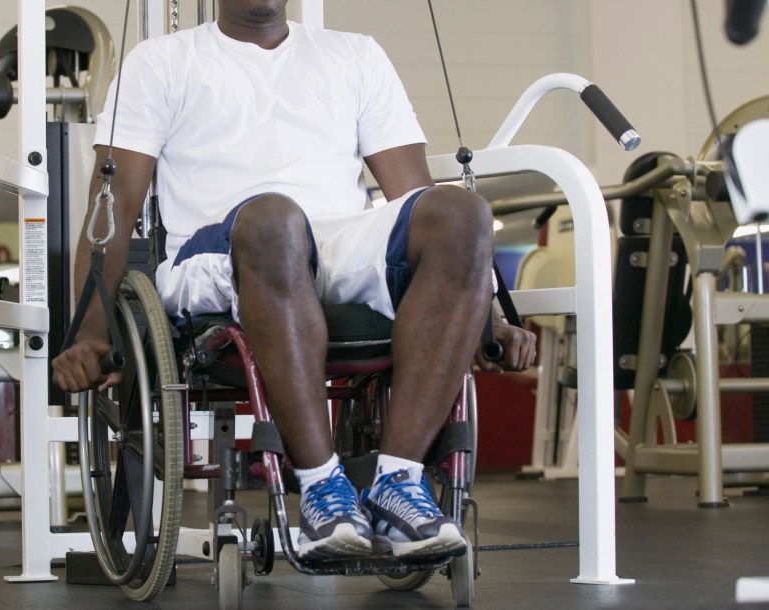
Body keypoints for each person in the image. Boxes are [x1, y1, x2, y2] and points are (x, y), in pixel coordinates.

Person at [52, 0, 537, 561]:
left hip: (335, 241)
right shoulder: (161, 61)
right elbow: (113, 203)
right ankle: (322, 486)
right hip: (218, 248)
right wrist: (90, 329)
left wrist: (489, 317)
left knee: (460, 213)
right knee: (275, 219)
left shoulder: (355, 54)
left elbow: (414, 202)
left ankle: (397, 483)